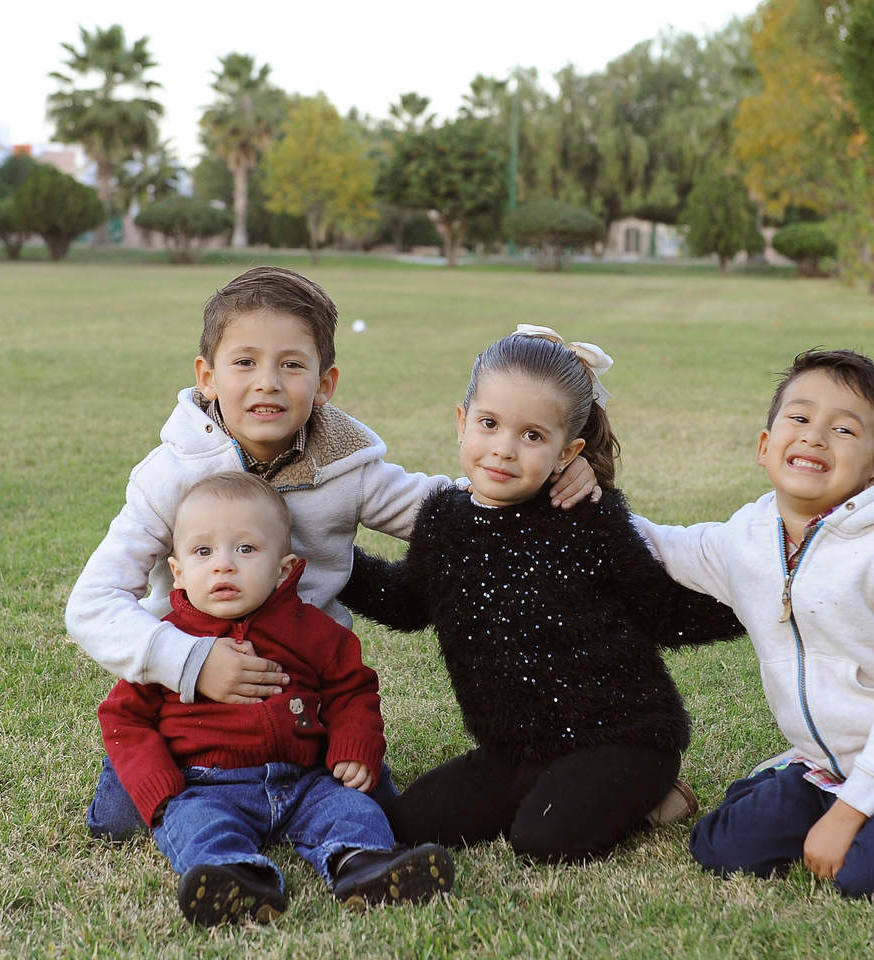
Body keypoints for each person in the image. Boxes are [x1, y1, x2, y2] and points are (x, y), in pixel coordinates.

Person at [66, 266, 597, 840]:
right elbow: (92, 603)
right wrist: (190, 661)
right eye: (244, 362)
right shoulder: (169, 476)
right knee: (124, 821)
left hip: (303, 695)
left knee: (374, 810)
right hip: (189, 707)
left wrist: (555, 479)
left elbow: (452, 512)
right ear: (207, 377)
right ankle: (207, 797)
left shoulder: (349, 467)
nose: (267, 382)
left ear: (324, 383)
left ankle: (304, 795)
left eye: (291, 364)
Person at [340, 326, 744, 864]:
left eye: (532, 436)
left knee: (542, 838)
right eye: (489, 424)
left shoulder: (584, 515)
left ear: (565, 452)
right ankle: (556, 789)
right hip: (514, 749)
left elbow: (662, 609)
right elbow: (408, 603)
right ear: (462, 424)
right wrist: (332, 563)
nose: (504, 449)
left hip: (622, 736)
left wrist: (755, 599)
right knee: (408, 825)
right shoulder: (442, 520)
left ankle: (653, 798)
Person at [632, 348, 874, 898]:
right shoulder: (748, 537)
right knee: (721, 849)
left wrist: (852, 812)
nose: (815, 436)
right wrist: (584, 497)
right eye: (799, 418)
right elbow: (663, 546)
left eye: (843, 429)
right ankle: (805, 785)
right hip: (826, 763)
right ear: (765, 446)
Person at [99, 472, 454, 925]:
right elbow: (123, 719)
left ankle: (364, 865)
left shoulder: (310, 629)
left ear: (285, 569)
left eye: (245, 549)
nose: (223, 565)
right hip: (206, 783)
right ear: (179, 572)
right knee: (196, 826)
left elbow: (352, 690)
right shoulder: (168, 642)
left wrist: (354, 747)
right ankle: (237, 879)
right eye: (203, 552)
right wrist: (161, 790)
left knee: (352, 810)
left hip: (305, 778)